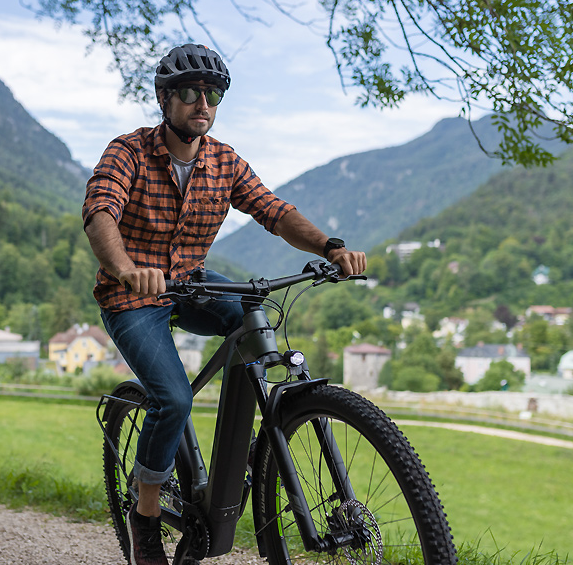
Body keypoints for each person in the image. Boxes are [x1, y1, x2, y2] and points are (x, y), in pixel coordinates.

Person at [82, 43, 366, 565]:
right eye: (191, 93)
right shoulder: (127, 151)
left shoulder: (224, 160)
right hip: (133, 294)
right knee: (173, 399)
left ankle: (250, 450)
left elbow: (275, 212)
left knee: (253, 321)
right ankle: (144, 517)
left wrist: (331, 246)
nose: (203, 104)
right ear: (166, 100)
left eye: (213, 95)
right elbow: (102, 210)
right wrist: (124, 268)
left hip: (191, 282)